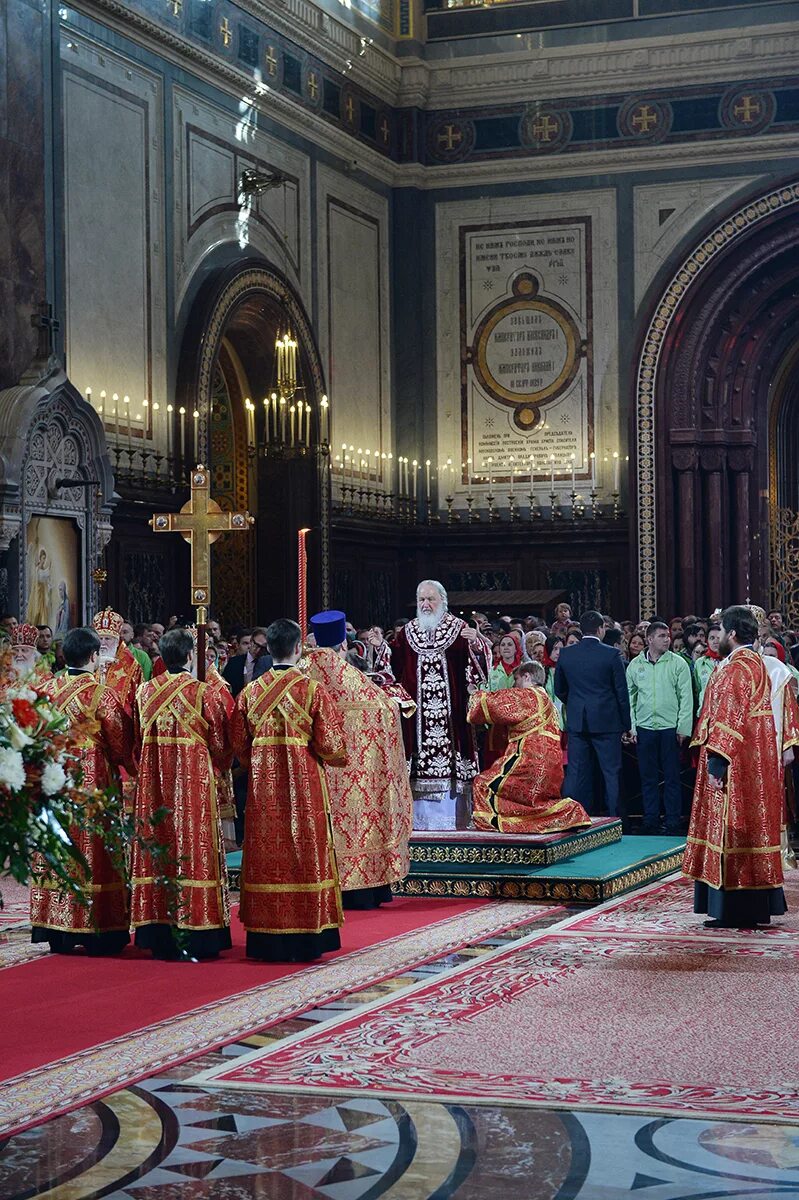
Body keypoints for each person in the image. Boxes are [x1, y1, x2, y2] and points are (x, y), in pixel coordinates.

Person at [232, 617, 347, 961]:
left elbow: (240, 745)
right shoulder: (313, 690)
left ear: (268, 647)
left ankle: (266, 936)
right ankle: (308, 935)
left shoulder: (250, 692)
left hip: (263, 789)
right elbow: (332, 746)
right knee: (305, 852)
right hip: (305, 786)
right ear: (299, 649)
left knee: (267, 854)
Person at [683, 605, 798, 928]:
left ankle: (732, 909)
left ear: (732, 634)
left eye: (720, 631)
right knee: (750, 829)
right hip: (755, 760)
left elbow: (728, 720)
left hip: (734, 762)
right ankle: (752, 908)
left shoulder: (736, 669)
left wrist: (718, 765)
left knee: (731, 830)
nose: (715, 638)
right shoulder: (759, 665)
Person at [130, 627, 234, 959]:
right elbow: (220, 747)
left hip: (153, 787)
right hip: (194, 787)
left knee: (158, 844)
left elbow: (135, 741)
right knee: (193, 845)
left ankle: (156, 928)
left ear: (161, 657)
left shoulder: (144, 692)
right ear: (190, 656)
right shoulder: (205, 694)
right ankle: (197, 928)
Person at [30, 626, 135, 955]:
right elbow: (119, 741)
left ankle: (55, 928)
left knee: (56, 846)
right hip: (91, 778)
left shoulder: (44, 689)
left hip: (51, 776)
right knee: (91, 846)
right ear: (94, 656)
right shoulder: (100, 693)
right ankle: (94, 929)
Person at [304, 610, 414, 909]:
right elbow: (386, 711)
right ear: (343, 643)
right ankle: (363, 889)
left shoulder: (301, 672)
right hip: (355, 772)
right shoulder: (350, 676)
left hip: (313, 770)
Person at [467, 661, 591, 834]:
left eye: (516, 679)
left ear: (527, 677)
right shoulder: (546, 698)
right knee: (535, 801)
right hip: (551, 768)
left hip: (529, 761)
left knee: (482, 784)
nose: (514, 685)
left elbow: (493, 703)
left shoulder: (529, 695)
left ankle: (496, 824)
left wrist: (474, 693)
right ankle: (564, 813)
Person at [389, 580, 490, 791]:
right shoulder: (407, 632)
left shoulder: (460, 628)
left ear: (442, 600)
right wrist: (380, 647)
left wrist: (475, 644)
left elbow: (479, 668)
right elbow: (394, 667)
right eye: (421, 599)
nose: (425, 604)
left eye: (430, 599)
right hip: (418, 715)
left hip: (452, 714)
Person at [554, 610, 632, 816]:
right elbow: (621, 693)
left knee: (576, 772)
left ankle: (574, 818)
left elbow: (559, 689)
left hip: (578, 721)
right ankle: (616, 820)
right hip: (607, 722)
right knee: (612, 773)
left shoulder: (567, 654)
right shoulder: (611, 654)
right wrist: (626, 724)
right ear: (601, 629)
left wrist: (576, 704)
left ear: (581, 630)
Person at [626, 620, 694, 835]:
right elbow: (630, 699)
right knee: (648, 778)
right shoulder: (635, 665)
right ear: (650, 639)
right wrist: (632, 727)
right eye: (662, 636)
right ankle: (651, 820)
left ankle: (673, 821)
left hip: (670, 728)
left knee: (673, 777)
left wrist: (683, 727)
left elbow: (686, 697)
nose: (667, 639)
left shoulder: (678, 663)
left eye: (668, 635)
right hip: (645, 728)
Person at [93, 608, 143, 715]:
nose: (103, 644)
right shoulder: (89, 662)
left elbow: (137, 703)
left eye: (107, 639)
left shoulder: (132, 667)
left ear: (117, 642)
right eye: (100, 639)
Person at [222, 625, 272, 696]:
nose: (258, 650)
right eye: (256, 645)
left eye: (263, 647)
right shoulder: (234, 662)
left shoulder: (271, 664)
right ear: (251, 642)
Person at [694, 624, 723, 711]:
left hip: (725, 712)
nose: (715, 641)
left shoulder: (730, 661)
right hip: (705, 712)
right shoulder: (700, 663)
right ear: (707, 641)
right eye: (712, 638)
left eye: (718, 638)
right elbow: (697, 689)